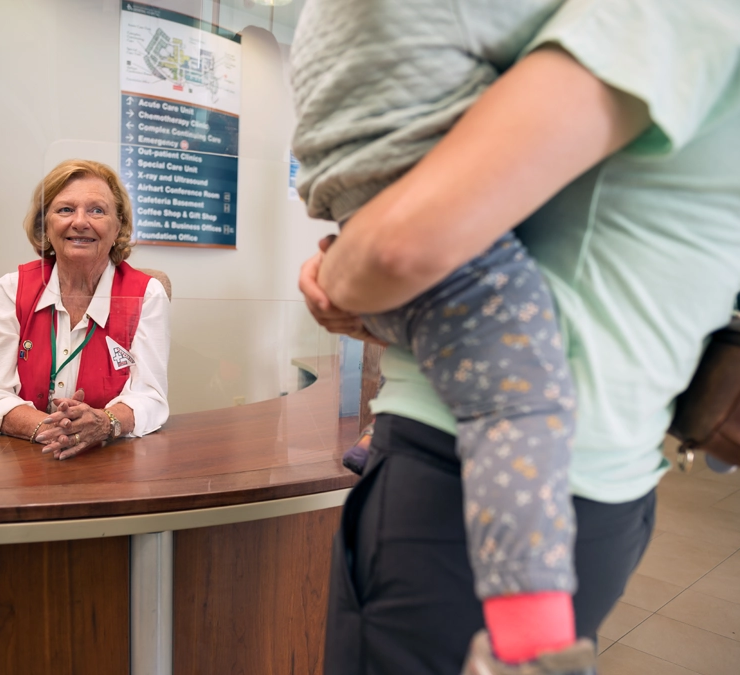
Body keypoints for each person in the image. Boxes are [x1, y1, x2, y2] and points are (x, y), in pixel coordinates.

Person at [294, 1, 740, 674]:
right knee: (515, 397)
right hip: (515, 478)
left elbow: (395, 251)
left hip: (497, 484)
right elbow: (401, 249)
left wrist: (344, 276)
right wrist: (355, 274)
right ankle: (533, 643)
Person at [292, 1, 589, 672]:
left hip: (355, 197)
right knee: (517, 402)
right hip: (432, 218)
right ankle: (530, 640)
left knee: (451, 352)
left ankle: (378, 449)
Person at [0, 159, 170, 460]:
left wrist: (105, 423)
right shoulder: (10, 290)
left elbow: (150, 397)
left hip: (108, 460)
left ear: (118, 227)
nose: (80, 222)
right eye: (65, 209)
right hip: (20, 458)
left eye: (97, 210)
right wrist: (54, 429)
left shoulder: (146, 295)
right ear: (46, 226)